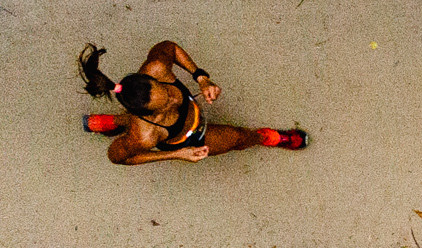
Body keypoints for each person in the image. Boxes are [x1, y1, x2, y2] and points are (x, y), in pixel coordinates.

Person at [77, 41, 306, 164]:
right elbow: (117, 157)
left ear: (152, 78)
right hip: (190, 135)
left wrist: (201, 78)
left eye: (166, 90)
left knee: (132, 122)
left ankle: (115, 122)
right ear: (149, 116)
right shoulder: (145, 136)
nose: (175, 98)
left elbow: (170, 48)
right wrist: (175, 155)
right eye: (165, 106)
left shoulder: (156, 68)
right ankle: (262, 137)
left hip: (144, 118)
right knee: (237, 137)